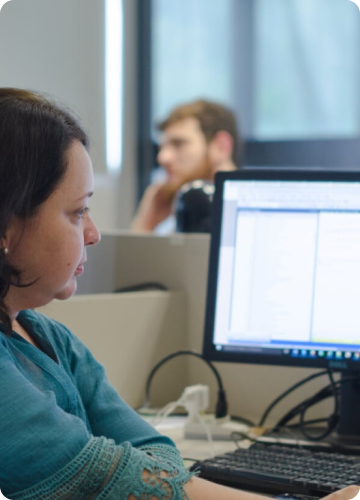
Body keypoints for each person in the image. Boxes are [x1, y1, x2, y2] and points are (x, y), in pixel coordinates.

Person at [0, 88, 358, 500]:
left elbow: (154, 459)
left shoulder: (50, 338)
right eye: (78, 212)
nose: (94, 234)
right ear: (6, 223)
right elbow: (100, 473)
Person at [131, 99, 241, 233]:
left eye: (178, 144)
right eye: (162, 147)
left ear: (221, 147)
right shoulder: (181, 214)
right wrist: (146, 226)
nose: (162, 158)